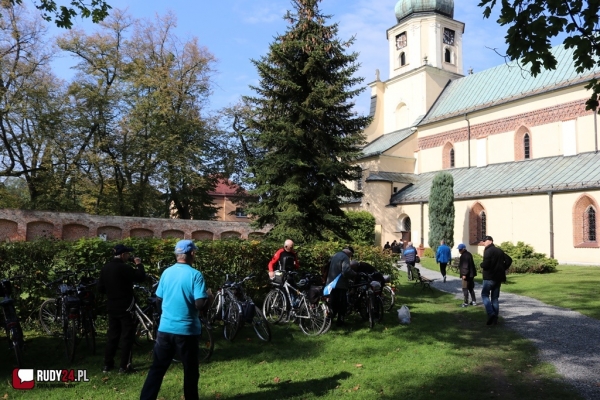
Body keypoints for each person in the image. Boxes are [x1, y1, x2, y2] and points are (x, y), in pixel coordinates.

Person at [140, 240, 210, 400]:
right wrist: (210, 298)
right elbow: (200, 304)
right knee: (190, 370)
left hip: (165, 329)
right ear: (192, 253)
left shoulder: (166, 273)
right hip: (187, 331)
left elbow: (158, 299)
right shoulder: (195, 275)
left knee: (157, 369)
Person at [98, 244, 146, 374]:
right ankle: (124, 366)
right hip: (126, 306)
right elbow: (141, 277)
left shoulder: (105, 268)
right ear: (123, 255)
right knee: (127, 336)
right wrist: (139, 264)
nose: (129, 256)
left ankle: (107, 365)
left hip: (112, 305)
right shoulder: (124, 268)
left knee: (112, 335)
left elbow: (100, 288)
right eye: (128, 254)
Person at [480, 235, 512, 326]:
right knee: (494, 298)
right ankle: (495, 320)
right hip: (498, 277)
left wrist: (481, 265)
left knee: (484, 295)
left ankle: (491, 314)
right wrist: (503, 268)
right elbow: (509, 260)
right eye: (483, 241)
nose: (484, 243)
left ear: (490, 241)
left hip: (489, 277)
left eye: (485, 241)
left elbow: (486, 265)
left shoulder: (488, 251)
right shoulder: (499, 251)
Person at [325, 246, 356, 326]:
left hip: (331, 283)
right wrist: (355, 274)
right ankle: (340, 321)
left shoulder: (335, 255)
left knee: (333, 303)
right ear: (349, 253)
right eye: (351, 255)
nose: (350, 257)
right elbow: (346, 271)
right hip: (340, 284)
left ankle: (329, 320)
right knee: (342, 303)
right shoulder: (345, 257)